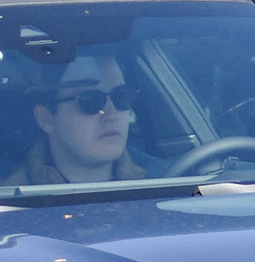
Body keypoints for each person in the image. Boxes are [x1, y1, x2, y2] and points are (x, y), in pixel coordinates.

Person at [9, 55, 154, 185]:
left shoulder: (163, 180)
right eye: (90, 101)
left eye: (121, 97)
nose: (112, 114)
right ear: (45, 118)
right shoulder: (5, 203)